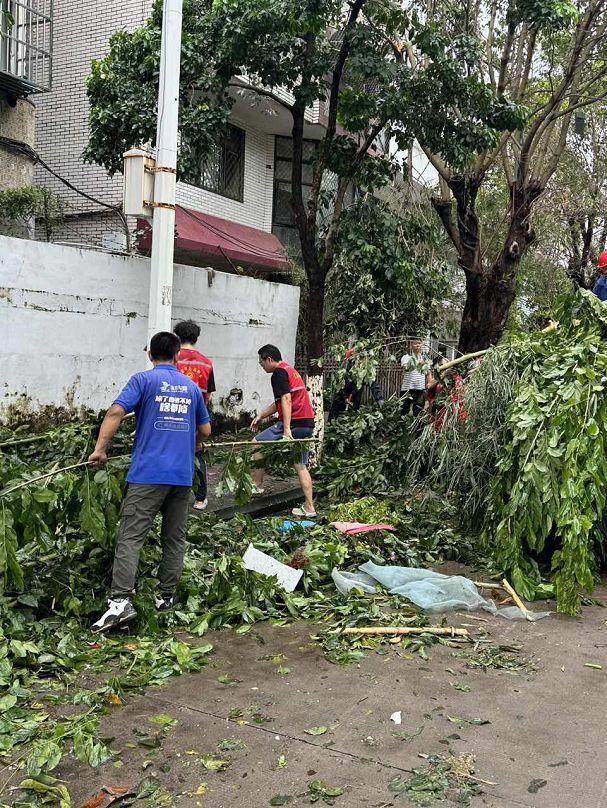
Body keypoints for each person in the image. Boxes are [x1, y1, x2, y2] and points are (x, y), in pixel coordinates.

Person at [89, 332, 211, 633]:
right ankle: (166, 598)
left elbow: (116, 411)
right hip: (181, 477)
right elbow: (206, 430)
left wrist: (100, 449)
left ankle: (120, 603)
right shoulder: (192, 388)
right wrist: (190, 444)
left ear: (150, 355)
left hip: (148, 474)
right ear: (177, 356)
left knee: (131, 536)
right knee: (174, 538)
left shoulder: (143, 381)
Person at [251, 344, 316, 518]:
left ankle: (257, 485)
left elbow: (286, 399)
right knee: (300, 465)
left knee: (256, 443)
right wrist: (261, 415)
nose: (261, 365)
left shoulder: (278, 373)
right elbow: (281, 401)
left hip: (293, 423)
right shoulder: (290, 370)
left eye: (261, 362)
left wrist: (286, 429)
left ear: (269, 359)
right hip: (306, 423)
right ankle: (310, 508)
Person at [174, 319, 216, 511]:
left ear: (177, 337)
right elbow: (208, 393)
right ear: (196, 338)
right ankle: (200, 498)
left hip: (173, 410)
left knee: (171, 450)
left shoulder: (173, 358)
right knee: (197, 452)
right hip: (197, 414)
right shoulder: (206, 362)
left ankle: (170, 494)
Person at [328, 346, 384, 422]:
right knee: (336, 412)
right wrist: (345, 397)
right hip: (341, 394)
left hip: (355, 395)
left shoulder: (365, 369)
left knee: (352, 417)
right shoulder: (345, 368)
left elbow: (373, 384)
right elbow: (340, 386)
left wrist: (379, 399)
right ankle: (332, 423)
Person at [400, 338, 431, 415]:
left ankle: (416, 427)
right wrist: (419, 364)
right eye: (415, 343)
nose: (418, 345)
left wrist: (430, 383)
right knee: (404, 411)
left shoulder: (425, 358)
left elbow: (428, 372)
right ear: (411, 345)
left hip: (420, 389)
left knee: (418, 412)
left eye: (419, 343)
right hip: (407, 389)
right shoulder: (406, 357)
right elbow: (406, 368)